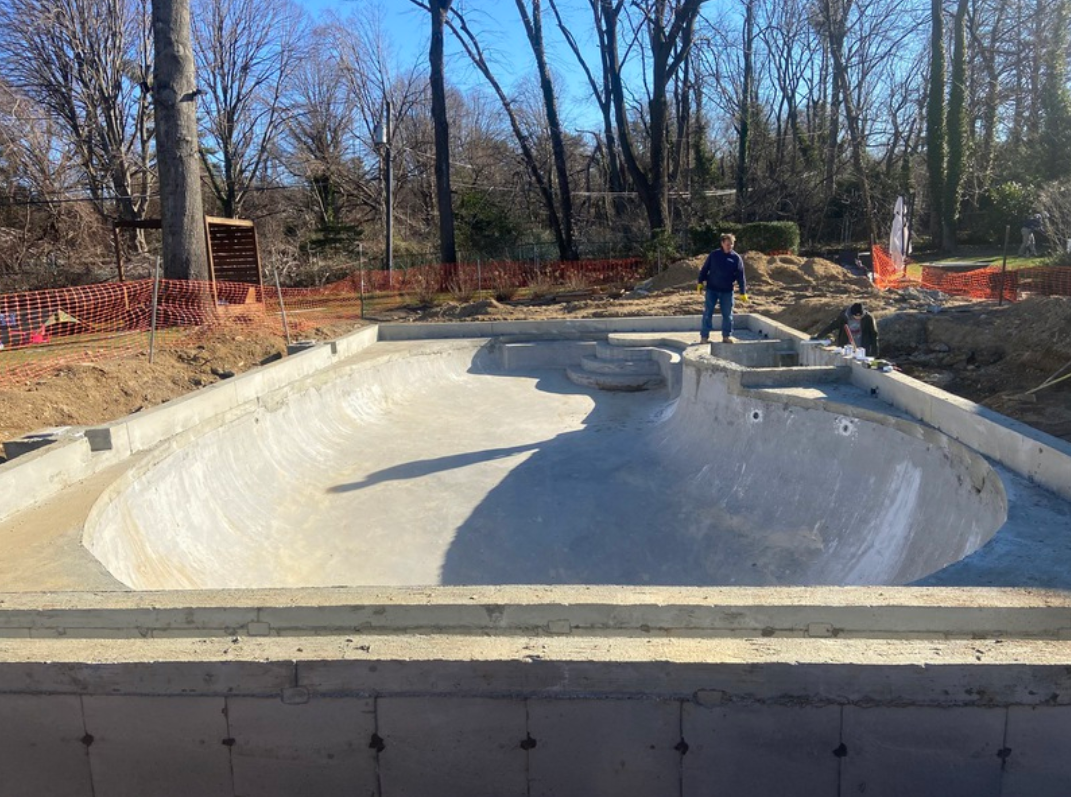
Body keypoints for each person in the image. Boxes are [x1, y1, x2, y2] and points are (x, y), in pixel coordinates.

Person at [697, 233, 748, 344]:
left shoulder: (736, 258)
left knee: (727, 315)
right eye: (727, 244)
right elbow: (705, 269)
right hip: (712, 290)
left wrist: (743, 291)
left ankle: (726, 336)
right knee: (707, 313)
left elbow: (740, 275)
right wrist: (700, 282)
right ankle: (704, 337)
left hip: (727, 291)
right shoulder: (714, 255)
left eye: (731, 244)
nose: (729, 246)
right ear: (722, 244)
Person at [815, 302, 879, 357]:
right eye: (856, 316)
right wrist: (819, 336)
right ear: (852, 314)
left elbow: (873, 334)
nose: (858, 318)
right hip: (846, 347)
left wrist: (874, 351)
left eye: (860, 316)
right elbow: (832, 326)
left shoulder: (868, 318)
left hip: (862, 348)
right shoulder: (844, 317)